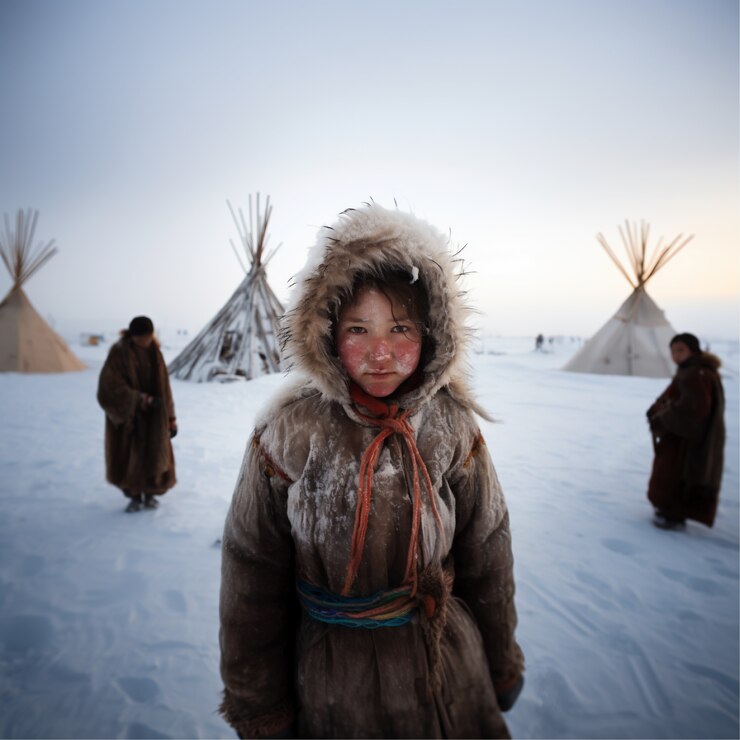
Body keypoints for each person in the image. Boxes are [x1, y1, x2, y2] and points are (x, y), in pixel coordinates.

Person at [218, 204, 524, 739]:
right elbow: (251, 578)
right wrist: (258, 705)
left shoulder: (451, 425)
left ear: (431, 334)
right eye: (358, 329)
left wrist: (501, 660)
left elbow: (488, 552)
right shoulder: (289, 435)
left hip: (447, 670)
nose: (380, 354)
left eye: (400, 328)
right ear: (326, 332)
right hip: (336, 683)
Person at [97, 316, 177, 512]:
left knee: (154, 453)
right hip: (129, 418)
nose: (145, 342)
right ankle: (134, 496)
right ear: (132, 336)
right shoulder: (119, 353)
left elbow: (165, 388)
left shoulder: (154, 352)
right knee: (130, 457)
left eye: (148, 338)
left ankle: (150, 493)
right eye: (141, 339)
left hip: (154, 416)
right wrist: (139, 400)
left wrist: (171, 418)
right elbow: (109, 387)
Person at [646, 332, 725, 530]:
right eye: (673, 351)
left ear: (693, 351)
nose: (676, 355)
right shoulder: (691, 371)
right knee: (673, 472)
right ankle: (669, 510)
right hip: (682, 437)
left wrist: (662, 417)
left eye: (681, 350)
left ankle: (673, 514)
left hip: (686, 440)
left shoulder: (696, 374)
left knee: (677, 474)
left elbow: (693, 410)